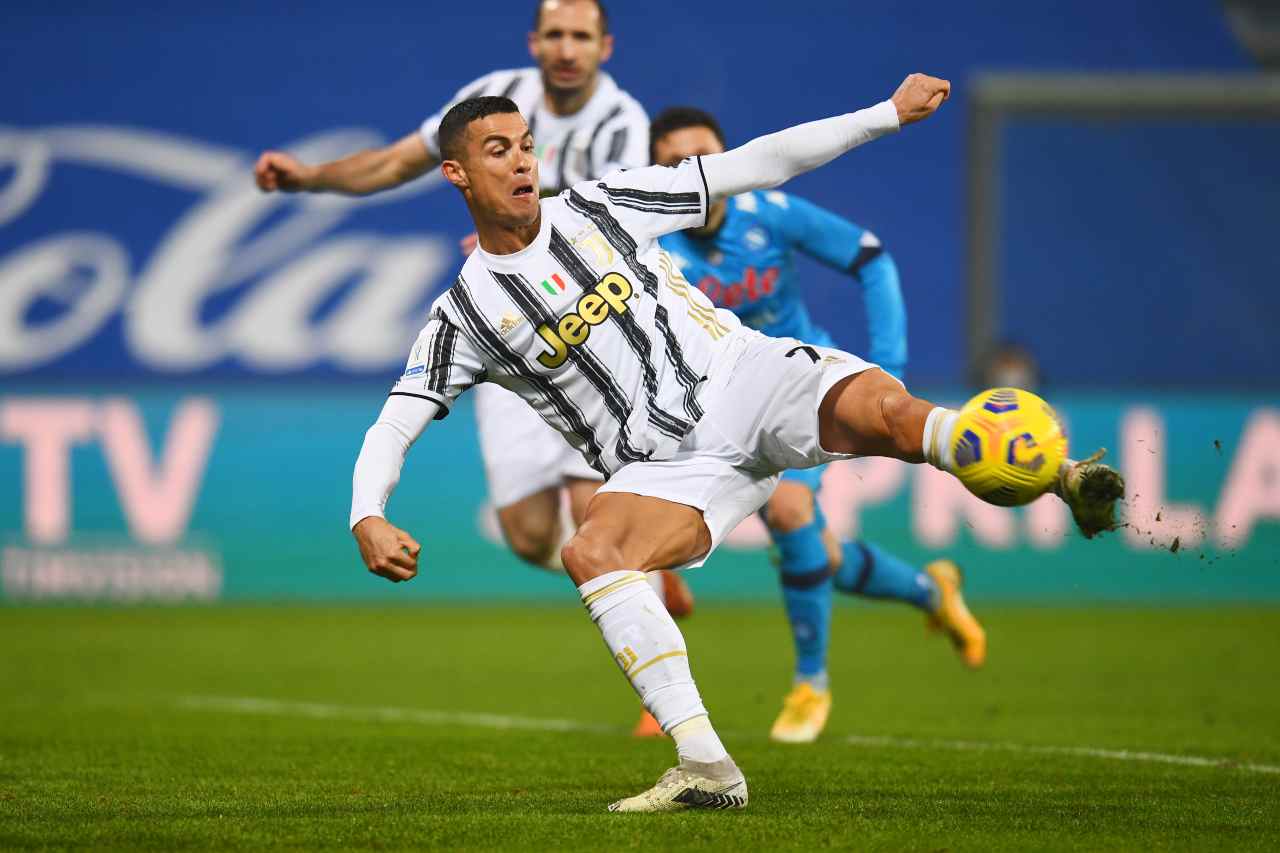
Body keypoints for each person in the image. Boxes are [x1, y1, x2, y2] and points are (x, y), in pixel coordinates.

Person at [347, 74, 1124, 812]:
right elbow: (395, 420)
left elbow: (754, 162)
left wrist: (884, 114)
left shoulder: (600, 206)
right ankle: (707, 767)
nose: (520, 160)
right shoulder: (465, 318)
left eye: (525, 144)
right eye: (497, 150)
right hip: (666, 468)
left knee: (889, 412)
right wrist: (367, 514)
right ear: (455, 173)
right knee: (593, 550)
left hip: (742, 379)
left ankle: (1058, 472)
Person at [253, 1, 694, 737]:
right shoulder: (495, 92)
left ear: (603, 46)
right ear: (534, 42)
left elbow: (597, 215)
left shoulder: (622, 122)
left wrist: (517, 240)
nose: (566, 48)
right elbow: (398, 161)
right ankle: (647, 578)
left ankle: (667, 705)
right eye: (554, 33)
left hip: (589, 340)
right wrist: (309, 179)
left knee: (597, 517)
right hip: (511, 336)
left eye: (580, 36)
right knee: (529, 536)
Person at [649, 107, 984, 744]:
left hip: (811, 390)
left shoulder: (769, 215)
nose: (693, 173)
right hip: (724, 406)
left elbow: (870, 258)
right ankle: (931, 592)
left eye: (704, 156)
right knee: (820, 556)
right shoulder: (649, 246)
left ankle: (812, 683)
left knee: (791, 515)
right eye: (673, 164)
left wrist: (889, 368)